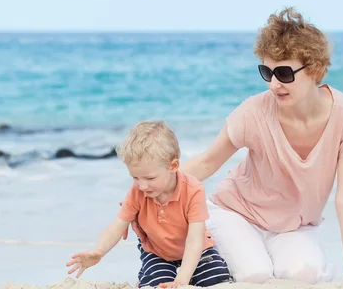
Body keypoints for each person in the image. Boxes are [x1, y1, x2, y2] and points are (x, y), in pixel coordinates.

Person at [180, 7, 343, 284]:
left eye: (284, 73)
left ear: (316, 69)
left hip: (294, 227)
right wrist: (151, 189)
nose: (273, 84)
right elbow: (208, 161)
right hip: (237, 214)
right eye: (266, 72)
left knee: (303, 274)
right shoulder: (253, 112)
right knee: (254, 274)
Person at [66, 120, 233, 288]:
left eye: (150, 178)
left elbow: (194, 241)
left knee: (216, 280)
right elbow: (116, 227)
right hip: (158, 251)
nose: (142, 185)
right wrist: (99, 251)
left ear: (173, 166)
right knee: (156, 284)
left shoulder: (193, 190)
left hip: (197, 248)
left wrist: (181, 281)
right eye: (135, 177)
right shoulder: (137, 191)